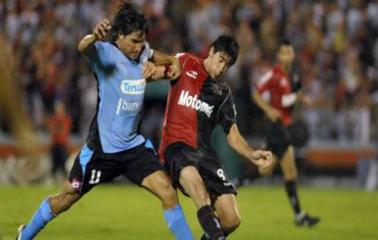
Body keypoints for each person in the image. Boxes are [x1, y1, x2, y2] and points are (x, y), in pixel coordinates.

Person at [16, 2, 193, 240]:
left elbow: (173, 63)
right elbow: (83, 46)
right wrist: (93, 35)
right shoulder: (104, 53)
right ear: (119, 36)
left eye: (142, 41)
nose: (139, 46)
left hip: (132, 148)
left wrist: (164, 68)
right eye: (134, 41)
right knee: (64, 200)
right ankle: (24, 235)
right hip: (102, 149)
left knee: (168, 193)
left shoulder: (142, 53)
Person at [157, 35, 273, 240]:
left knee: (231, 219)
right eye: (220, 60)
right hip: (176, 148)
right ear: (210, 51)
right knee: (199, 191)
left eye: (226, 65)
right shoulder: (185, 61)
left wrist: (252, 154)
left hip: (204, 154)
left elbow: (233, 136)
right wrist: (147, 73)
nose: (221, 68)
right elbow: (160, 69)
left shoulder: (223, 93)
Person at [252, 39, 320, 227]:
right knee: (276, 169)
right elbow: (256, 94)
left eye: (290, 52)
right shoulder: (273, 74)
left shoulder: (295, 75)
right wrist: (268, 110)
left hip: (285, 126)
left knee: (281, 170)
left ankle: (299, 216)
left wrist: (303, 98)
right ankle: (237, 181)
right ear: (279, 56)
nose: (288, 55)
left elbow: (294, 95)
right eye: (284, 52)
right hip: (276, 127)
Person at [47, 101, 72, 181]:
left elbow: (61, 130)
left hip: (62, 145)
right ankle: (53, 178)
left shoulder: (66, 119)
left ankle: (66, 179)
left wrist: (56, 128)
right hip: (55, 144)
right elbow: (52, 130)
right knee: (54, 163)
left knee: (63, 163)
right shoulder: (54, 119)